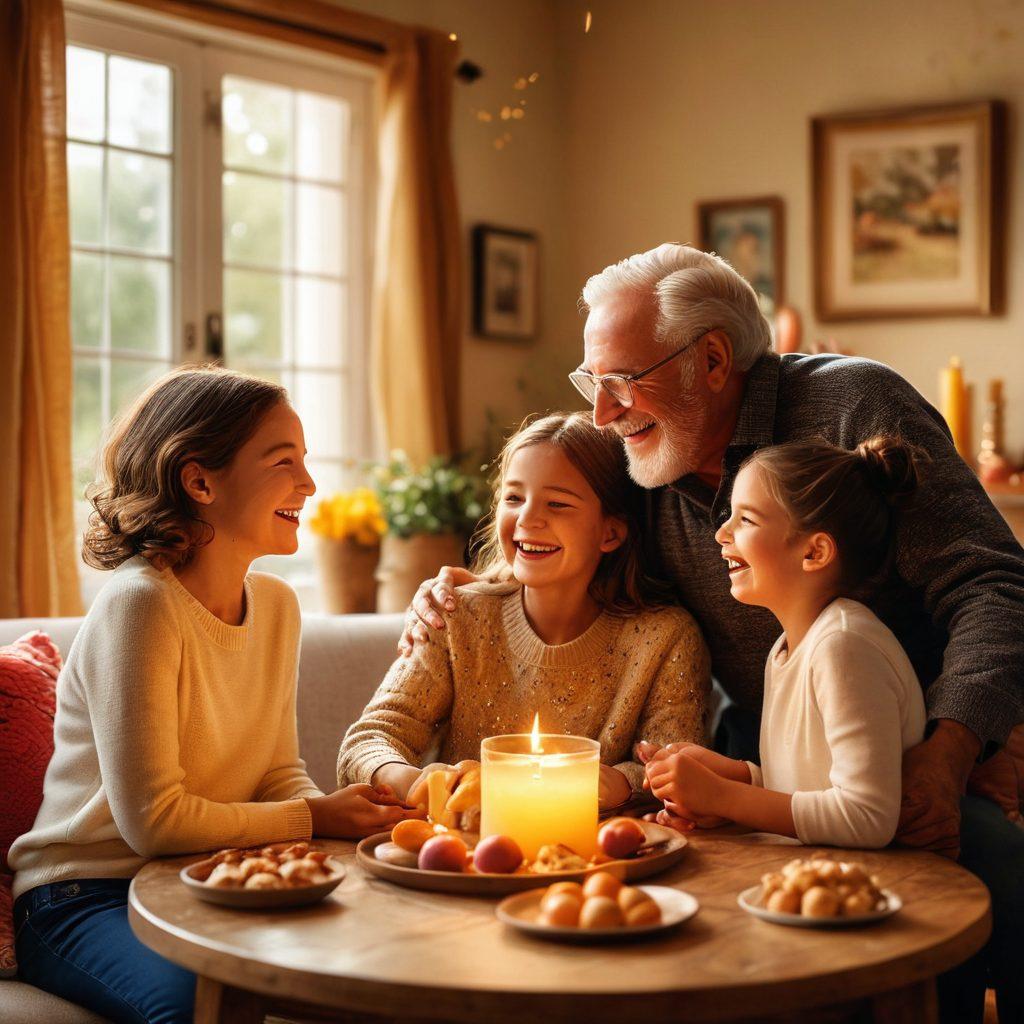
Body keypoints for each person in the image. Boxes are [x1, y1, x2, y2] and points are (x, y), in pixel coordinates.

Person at [404, 244, 1024, 1023]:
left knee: (977, 891)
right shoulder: (642, 461)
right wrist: (467, 590)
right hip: (774, 754)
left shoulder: (852, 406)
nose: (604, 411)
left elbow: (993, 583)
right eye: (590, 383)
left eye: (621, 380)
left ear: (714, 359)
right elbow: (576, 544)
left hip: (929, 755)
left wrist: (957, 743)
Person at [10, 367, 420, 1024]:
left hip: (206, 877)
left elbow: (276, 772)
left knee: (378, 965)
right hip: (84, 897)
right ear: (199, 481)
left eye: (305, 459)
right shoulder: (141, 607)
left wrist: (340, 823)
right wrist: (315, 819)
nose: (309, 484)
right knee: (195, 1009)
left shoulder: (279, 607)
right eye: (283, 460)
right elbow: (155, 822)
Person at [337, 412, 711, 811]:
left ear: (610, 532)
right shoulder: (456, 616)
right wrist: (412, 780)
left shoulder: (665, 637)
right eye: (514, 498)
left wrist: (621, 781)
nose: (527, 519)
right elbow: (370, 738)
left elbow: (679, 765)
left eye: (557, 503)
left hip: (600, 857)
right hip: (464, 856)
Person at [644, 436, 927, 849]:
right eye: (729, 515)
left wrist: (724, 797)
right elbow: (806, 784)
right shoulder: (786, 649)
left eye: (747, 520)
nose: (721, 532)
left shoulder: (844, 647)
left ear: (814, 552)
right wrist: (733, 777)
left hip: (869, 889)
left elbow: (867, 817)